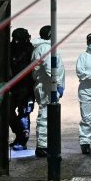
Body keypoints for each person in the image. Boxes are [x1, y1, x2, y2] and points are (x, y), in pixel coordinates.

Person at [31, 25, 66, 158]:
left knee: (46, 115)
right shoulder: (45, 48)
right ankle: (42, 146)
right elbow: (50, 68)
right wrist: (56, 85)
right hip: (47, 87)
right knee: (45, 115)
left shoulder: (43, 47)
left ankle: (45, 144)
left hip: (47, 85)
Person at [8, 27, 36, 150]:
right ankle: (19, 135)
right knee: (9, 112)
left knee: (24, 113)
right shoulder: (10, 49)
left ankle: (22, 140)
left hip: (26, 87)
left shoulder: (31, 50)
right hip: (13, 87)